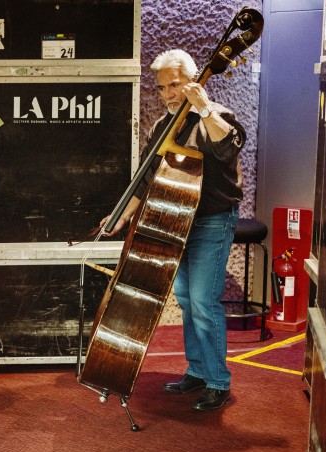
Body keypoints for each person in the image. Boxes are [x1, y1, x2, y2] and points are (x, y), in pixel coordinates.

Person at [100, 49, 245, 411]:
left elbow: (229, 148)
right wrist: (121, 216)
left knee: (202, 302)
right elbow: (149, 176)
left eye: (175, 85)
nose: (168, 94)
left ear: (193, 81)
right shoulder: (162, 126)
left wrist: (204, 105)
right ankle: (197, 371)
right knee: (185, 300)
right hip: (176, 222)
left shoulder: (219, 116)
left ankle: (217, 381)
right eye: (163, 88)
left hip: (212, 220)